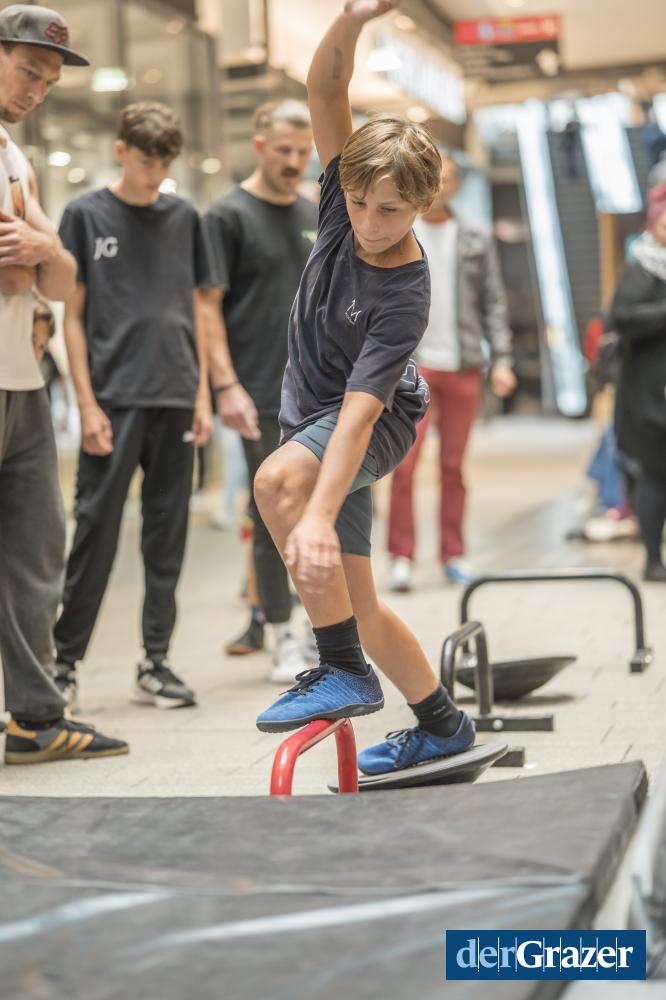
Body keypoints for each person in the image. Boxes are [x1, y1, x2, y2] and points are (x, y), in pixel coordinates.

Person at [251, 0, 475, 776]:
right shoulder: (340, 202)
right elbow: (325, 91)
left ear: (423, 205)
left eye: (390, 211)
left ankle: (341, 669)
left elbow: (358, 414)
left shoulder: (405, 293)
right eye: (358, 203)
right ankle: (443, 723)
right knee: (359, 602)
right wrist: (348, 21)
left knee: (278, 482)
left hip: (370, 421)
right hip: (317, 417)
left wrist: (316, 514)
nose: (369, 223)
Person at [52, 101, 215, 711]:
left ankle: (155, 663)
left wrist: (202, 393)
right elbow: (71, 317)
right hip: (114, 399)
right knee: (95, 533)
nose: (156, 175)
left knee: (166, 536)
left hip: (176, 394)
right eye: (147, 162)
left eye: (165, 164)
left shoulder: (185, 217)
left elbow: (198, 309)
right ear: (121, 151)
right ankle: (63, 665)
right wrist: (86, 403)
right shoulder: (84, 215)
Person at [0, 3, 128, 763]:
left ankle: (36, 719)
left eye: (48, 82)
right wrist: (38, 259)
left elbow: (62, 276)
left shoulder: (13, 157)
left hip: (22, 380)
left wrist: (43, 249)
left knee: (37, 553)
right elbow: (23, 275)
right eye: (28, 72)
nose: (37, 90)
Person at [202, 99, 319, 683]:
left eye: (302, 151)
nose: (294, 161)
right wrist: (226, 385)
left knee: (325, 512)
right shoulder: (227, 216)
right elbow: (206, 307)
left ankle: (323, 630)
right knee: (274, 513)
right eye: (283, 151)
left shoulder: (312, 212)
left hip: (318, 391)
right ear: (258, 146)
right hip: (259, 390)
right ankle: (281, 635)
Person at [386, 153, 516, 590]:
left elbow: (494, 302)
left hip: (463, 365)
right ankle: (401, 556)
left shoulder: (475, 237)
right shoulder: (402, 233)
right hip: (413, 369)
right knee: (404, 465)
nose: (440, 186)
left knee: (453, 466)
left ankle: (453, 553)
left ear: (457, 184)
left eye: (447, 179)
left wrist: (503, 359)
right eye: (433, 179)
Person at [612, 183, 666, 582]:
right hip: (650, 397)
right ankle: (652, 559)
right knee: (656, 474)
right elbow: (623, 318)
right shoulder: (641, 268)